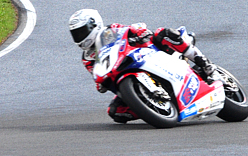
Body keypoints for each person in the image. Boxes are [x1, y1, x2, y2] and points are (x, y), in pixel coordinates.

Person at [68, 9, 217, 124]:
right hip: (121, 71)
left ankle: (204, 63)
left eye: (81, 31)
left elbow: (130, 29)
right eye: (76, 34)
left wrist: (139, 32)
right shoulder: (87, 58)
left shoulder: (110, 31)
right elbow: (95, 72)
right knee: (116, 111)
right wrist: (100, 84)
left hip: (146, 52)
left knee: (163, 33)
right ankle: (153, 108)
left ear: (94, 25)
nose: (79, 36)